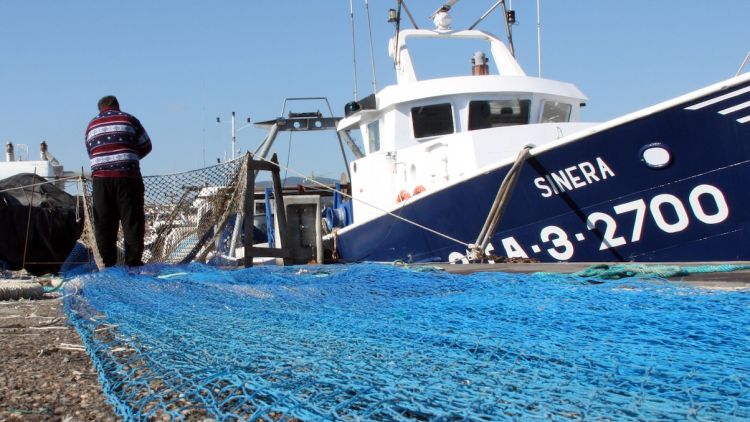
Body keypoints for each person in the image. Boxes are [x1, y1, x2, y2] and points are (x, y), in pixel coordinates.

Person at [85, 95, 152, 267]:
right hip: (128, 179)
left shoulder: (91, 125)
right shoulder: (129, 120)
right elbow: (146, 145)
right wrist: (130, 159)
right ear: (117, 106)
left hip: (101, 181)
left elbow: (91, 152)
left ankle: (107, 267)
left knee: (105, 226)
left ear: (100, 109)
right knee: (132, 223)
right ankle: (133, 264)